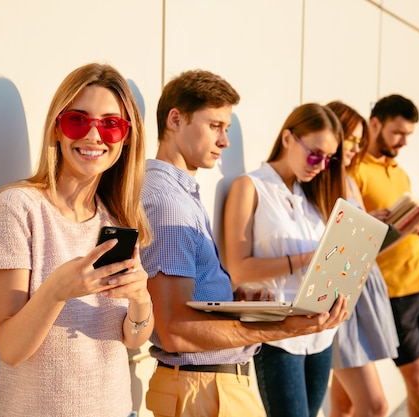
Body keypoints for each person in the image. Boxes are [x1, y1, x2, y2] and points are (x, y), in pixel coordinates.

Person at [139, 70, 348, 417]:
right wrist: (282, 326)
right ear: (175, 119)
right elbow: (174, 329)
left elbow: (184, 303)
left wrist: (233, 300)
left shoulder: (181, 195)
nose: (225, 142)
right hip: (204, 390)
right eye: (215, 126)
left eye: (227, 129)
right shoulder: (167, 203)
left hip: (210, 387)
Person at [0, 63, 154, 417]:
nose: (94, 135)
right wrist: (56, 290)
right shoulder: (17, 208)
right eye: (77, 120)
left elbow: (131, 339)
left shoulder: (116, 219)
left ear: (127, 137)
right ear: (57, 129)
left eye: (111, 124)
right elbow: (10, 347)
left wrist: (141, 300)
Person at [223, 103, 349, 417]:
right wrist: (310, 258)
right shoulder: (250, 187)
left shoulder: (311, 197)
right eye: (315, 153)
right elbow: (239, 269)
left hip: (320, 332)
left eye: (328, 159)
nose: (320, 165)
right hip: (277, 333)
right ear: (288, 138)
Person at [353, 94, 419, 417]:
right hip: (393, 292)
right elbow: (356, 244)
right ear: (375, 123)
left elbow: (408, 233)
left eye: (409, 134)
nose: (404, 141)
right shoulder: (355, 173)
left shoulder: (398, 171)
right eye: (398, 132)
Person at [325, 101, 399, 417]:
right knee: (375, 405)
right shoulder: (323, 179)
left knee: (344, 405)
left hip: (357, 292)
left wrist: (374, 225)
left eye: (359, 140)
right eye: (351, 139)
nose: (356, 147)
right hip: (340, 298)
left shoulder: (349, 178)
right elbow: (329, 246)